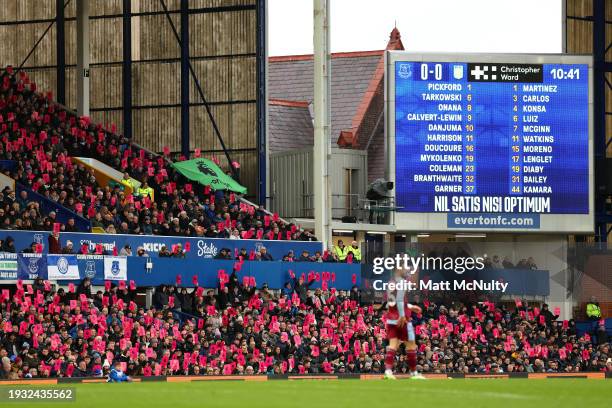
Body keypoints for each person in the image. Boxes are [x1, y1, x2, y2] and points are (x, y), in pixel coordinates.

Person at [383, 268, 424, 380]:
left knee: (393, 345)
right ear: (398, 268)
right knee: (411, 346)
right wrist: (402, 315)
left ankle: (388, 371)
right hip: (403, 319)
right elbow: (400, 299)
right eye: (405, 266)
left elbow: (393, 302)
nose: (407, 269)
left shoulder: (391, 283)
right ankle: (414, 373)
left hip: (391, 318)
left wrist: (410, 307)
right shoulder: (402, 282)